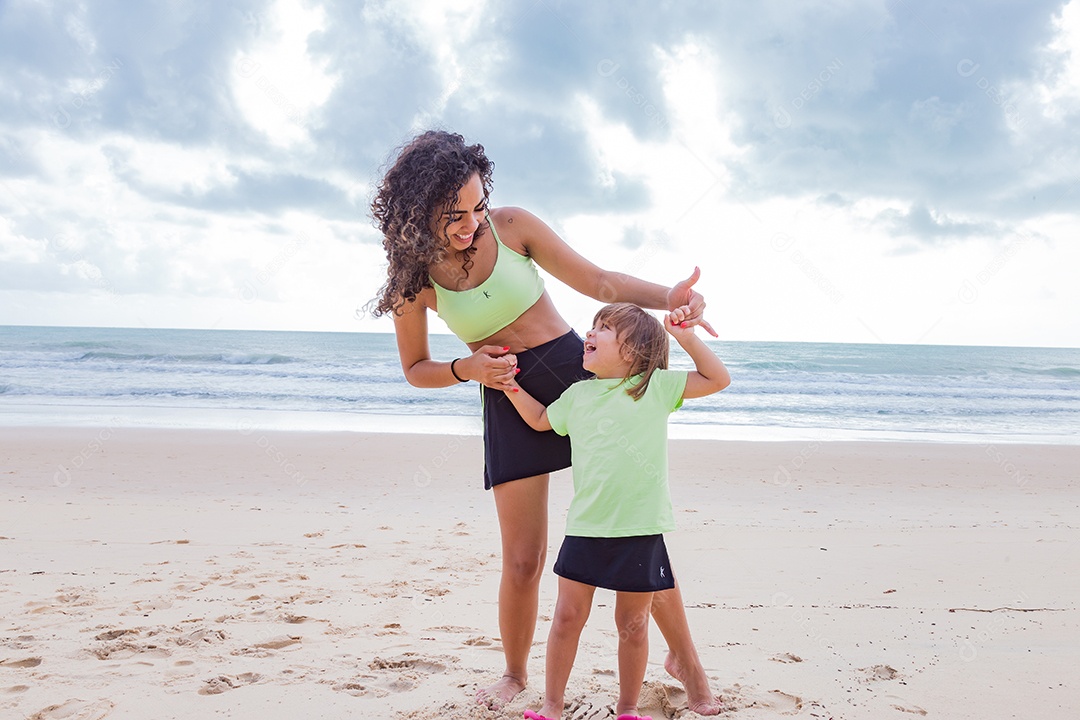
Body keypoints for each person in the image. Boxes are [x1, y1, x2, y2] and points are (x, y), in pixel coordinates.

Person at [370, 130, 724, 714]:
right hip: (504, 389)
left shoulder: (511, 228)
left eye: (477, 206)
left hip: (578, 373)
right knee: (524, 557)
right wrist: (468, 367)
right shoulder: (413, 278)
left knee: (632, 531)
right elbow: (415, 368)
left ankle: (684, 657)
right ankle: (514, 672)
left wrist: (671, 295)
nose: (471, 223)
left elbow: (600, 283)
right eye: (452, 215)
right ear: (417, 212)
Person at [505, 302, 730, 720]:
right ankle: (552, 705)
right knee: (567, 617)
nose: (589, 334)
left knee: (634, 624)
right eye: (592, 326)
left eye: (604, 328)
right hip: (586, 527)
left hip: (640, 529)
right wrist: (509, 386)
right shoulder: (577, 395)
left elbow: (718, 378)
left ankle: (628, 709)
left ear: (635, 350)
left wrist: (684, 336)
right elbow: (539, 420)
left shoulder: (654, 386)